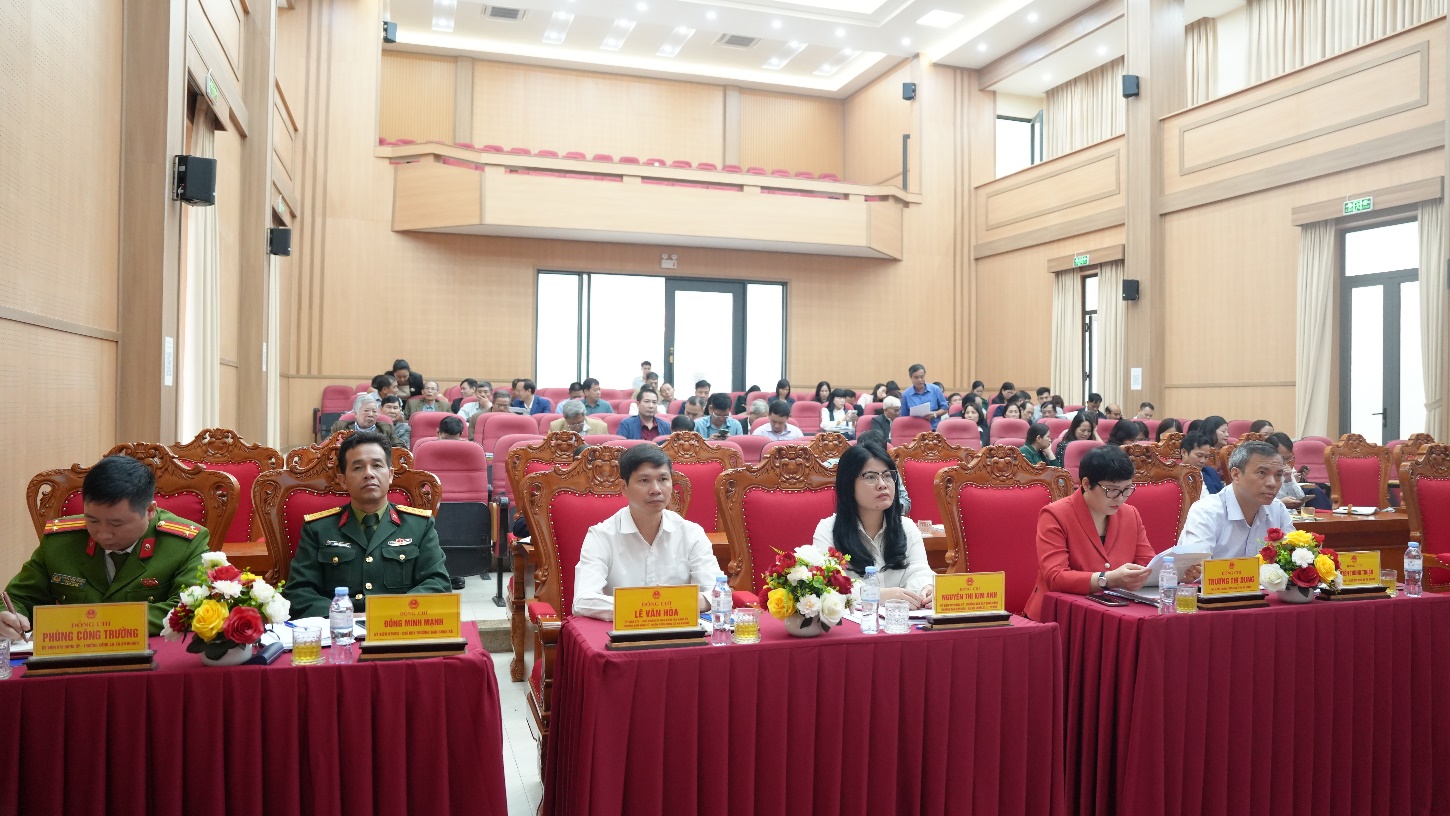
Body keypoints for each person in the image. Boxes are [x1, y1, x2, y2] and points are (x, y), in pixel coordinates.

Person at [0, 455, 212, 640]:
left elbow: (190, 607)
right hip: (71, 657)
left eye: (116, 524)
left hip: (148, 657)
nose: (102, 534)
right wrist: (8, 618)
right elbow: (18, 598)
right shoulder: (60, 541)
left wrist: (94, 623)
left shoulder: (185, 543)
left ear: (149, 511)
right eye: (92, 520)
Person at [284, 431, 450, 617]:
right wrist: (346, 616)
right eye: (358, 468)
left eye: (377, 465)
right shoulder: (318, 528)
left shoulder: (419, 525)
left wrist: (391, 615)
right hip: (339, 628)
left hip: (398, 627)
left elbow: (438, 584)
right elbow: (298, 593)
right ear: (343, 480)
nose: (369, 474)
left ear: (390, 475)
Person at [572, 445, 724, 620]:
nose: (656, 489)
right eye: (644, 480)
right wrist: (649, 606)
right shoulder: (601, 536)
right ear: (624, 487)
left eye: (663, 479)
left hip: (678, 630)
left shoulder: (691, 533)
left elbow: (719, 592)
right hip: (622, 632)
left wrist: (675, 603)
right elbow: (583, 601)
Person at [1024, 445, 1154, 620]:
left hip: (1113, 613)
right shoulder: (1056, 514)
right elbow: (1055, 577)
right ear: (1086, 484)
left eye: (1127, 489)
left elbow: (1147, 564)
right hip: (1061, 615)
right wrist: (1108, 579)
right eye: (1112, 490)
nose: (1120, 498)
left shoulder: (1130, 514)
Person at [811, 442, 934, 609]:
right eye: (870, 477)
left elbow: (920, 571)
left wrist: (926, 588)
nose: (882, 484)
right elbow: (826, 587)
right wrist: (878, 595)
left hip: (901, 620)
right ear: (848, 485)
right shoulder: (828, 530)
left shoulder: (907, 527)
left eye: (887, 475)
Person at [1178, 440, 1296, 560]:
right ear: (1236, 475)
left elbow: (1292, 559)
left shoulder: (1278, 509)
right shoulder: (1206, 512)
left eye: (1278, 475)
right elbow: (1196, 568)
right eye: (1262, 473)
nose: (1272, 483)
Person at [331, 395, 402, 446]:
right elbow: (327, 446)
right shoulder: (341, 427)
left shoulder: (386, 428)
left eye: (374, 411)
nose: (371, 414)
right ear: (356, 414)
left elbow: (400, 448)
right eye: (366, 411)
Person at [1266, 432, 1308, 510]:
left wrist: (1289, 480)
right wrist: (1281, 502)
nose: (1285, 462)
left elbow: (1301, 502)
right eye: (1282, 458)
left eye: (1289, 458)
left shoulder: (1286, 469)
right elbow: (1258, 503)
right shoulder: (1262, 472)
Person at [900, 363, 949, 428]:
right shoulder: (906, 395)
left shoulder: (935, 389)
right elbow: (903, 417)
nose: (920, 380)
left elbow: (945, 409)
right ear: (911, 377)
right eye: (916, 377)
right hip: (915, 429)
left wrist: (935, 414)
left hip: (934, 429)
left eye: (922, 377)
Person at [1181, 430, 1223, 494]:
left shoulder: (1210, 472)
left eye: (1206, 457)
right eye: (1199, 456)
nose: (1203, 461)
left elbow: (1222, 497)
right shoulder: (1175, 476)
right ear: (1184, 453)